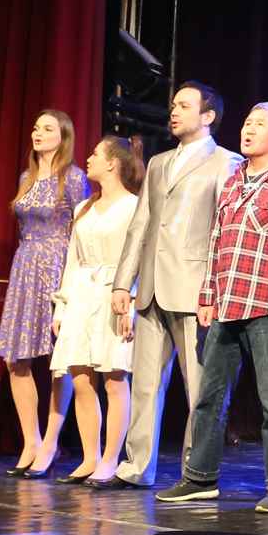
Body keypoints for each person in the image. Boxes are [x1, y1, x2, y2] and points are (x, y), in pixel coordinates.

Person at [157, 102, 268, 511]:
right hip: (227, 304)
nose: (248, 130)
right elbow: (216, 242)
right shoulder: (233, 180)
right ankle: (200, 477)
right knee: (208, 397)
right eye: (247, 123)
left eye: (259, 124)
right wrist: (207, 296)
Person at [111, 82, 239, 489]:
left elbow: (224, 232)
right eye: (173, 105)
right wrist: (123, 283)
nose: (174, 111)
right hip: (151, 285)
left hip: (195, 288)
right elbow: (141, 224)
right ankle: (136, 466)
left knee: (200, 387)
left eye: (184, 105)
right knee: (145, 384)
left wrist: (215, 290)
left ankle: (196, 471)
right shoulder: (159, 162)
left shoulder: (226, 162)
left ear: (208, 116)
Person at [46, 136, 144, 485]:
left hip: (115, 295)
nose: (88, 159)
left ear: (113, 163)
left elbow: (138, 259)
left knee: (114, 379)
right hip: (82, 295)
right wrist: (61, 307)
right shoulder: (83, 208)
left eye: (95, 154)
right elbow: (72, 260)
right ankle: (90, 457)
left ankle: (110, 458)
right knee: (81, 378)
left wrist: (131, 303)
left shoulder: (134, 206)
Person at [0, 110, 86, 476]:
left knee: (58, 361)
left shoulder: (74, 178)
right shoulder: (26, 177)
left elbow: (80, 232)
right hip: (25, 267)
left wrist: (71, 283)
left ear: (63, 137)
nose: (38, 133)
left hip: (57, 269)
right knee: (16, 359)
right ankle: (30, 440)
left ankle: (51, 442)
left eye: (47, 128)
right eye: (35, 127)